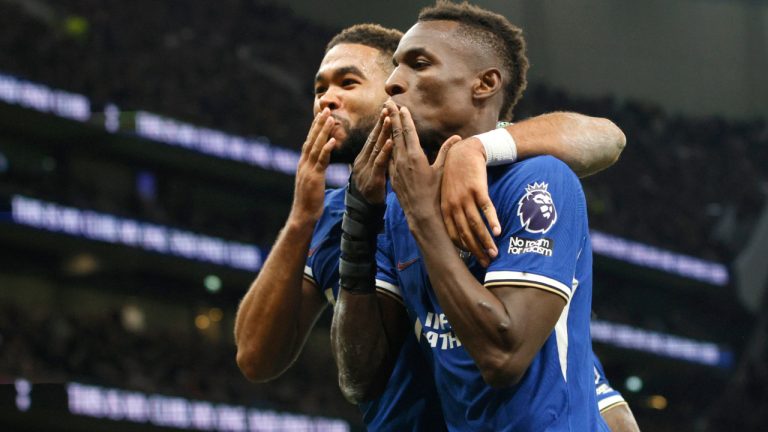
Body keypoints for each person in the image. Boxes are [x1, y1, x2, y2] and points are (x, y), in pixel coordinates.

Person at [235, 22, 631, 431]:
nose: (326, 101)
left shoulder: (498, 172)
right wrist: (303, 217)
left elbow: (605, 135)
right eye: (319, 90)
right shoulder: (347, 212)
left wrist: (477, 149)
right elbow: (261, 359)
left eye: (348, 83)